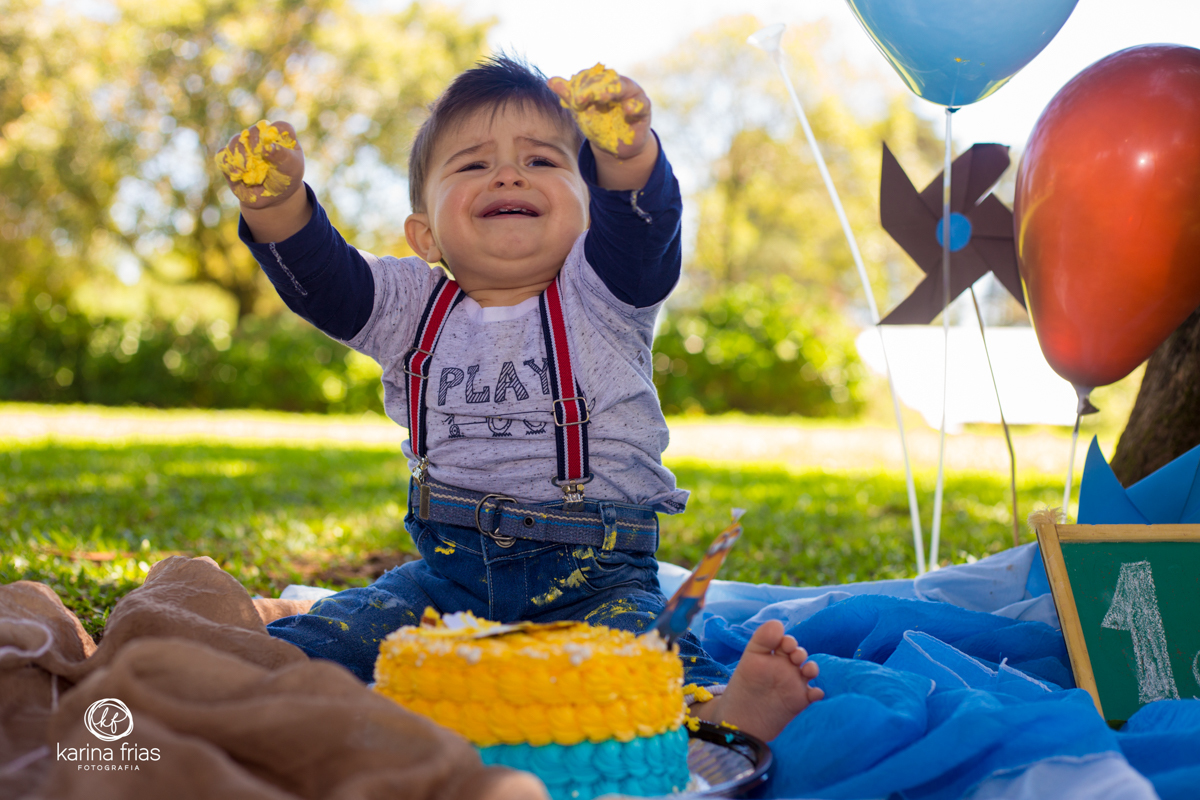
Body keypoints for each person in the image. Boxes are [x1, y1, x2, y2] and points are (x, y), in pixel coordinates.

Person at [217, 55, 822, 742]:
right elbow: (328, 281)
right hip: (447, 583)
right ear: (425, 235)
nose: (508, 174)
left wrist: (624, 155)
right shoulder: (410, 306)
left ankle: (720, 709)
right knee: (333, 640)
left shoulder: (601, 292)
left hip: (598, 577)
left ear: (590, 210)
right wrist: (277, 207)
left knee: (639, 664)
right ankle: (243, 688)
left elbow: (642, 231)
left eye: (541, 161)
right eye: (472, 165)